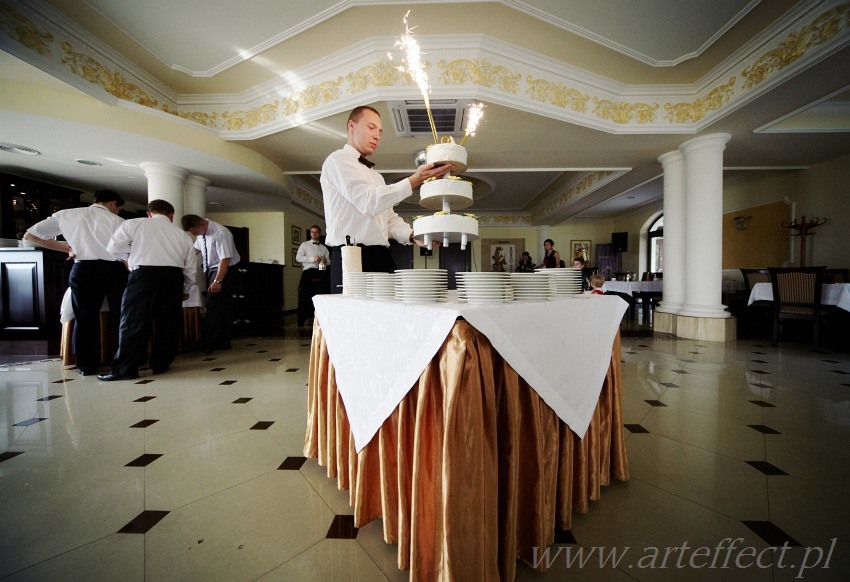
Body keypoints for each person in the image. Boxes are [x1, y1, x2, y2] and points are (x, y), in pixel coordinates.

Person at [320, 105, 453, 293]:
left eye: (380, 131)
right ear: (351, 125)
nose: (377, 136)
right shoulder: (337, 160)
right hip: (351, 256)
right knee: (355, 318)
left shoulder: (377, 177)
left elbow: (388, 220)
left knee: (383, 317)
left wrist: (413, 235)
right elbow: (369, 202)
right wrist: (416, 179)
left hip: (381, 255)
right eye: (371, 127)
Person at [24, 189, 127, 376]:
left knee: (85, 318)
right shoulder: (118, 222)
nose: (118, 211)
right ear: (113, 203)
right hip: (113, 269)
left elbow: (30, 235)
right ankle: (122, 361)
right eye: (119, 208)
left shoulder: (67, 215)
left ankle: (86, 365)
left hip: (84, 268)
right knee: (121, 315)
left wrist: (67, 248)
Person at [98, 200, 196, 381]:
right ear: (171, 215)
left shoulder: (134, 224)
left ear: (149, 213)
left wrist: (130, 259)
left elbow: (113, 248)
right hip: (172, 278)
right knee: (167, 322)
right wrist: (186, 287)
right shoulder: (182, 235)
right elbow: (189, 266)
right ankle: (161, 363)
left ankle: (127, 368)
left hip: (143, 275)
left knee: (133, 321)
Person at [180, 214, 241, 353]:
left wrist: (217, 281)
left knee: (212, 306)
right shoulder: (201, 233)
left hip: (226, 270)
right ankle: (223, 341)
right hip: (214, 269)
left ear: (202, 224)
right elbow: (195, 250)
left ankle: (207, 344)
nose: (195, 235)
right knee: (223, 307)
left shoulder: (221, 233)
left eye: (195, 232)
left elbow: (225, 260)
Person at [295, 224, 330, 326]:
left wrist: (324, 260)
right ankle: (302, 320)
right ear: (310, 233)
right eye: (312, 232)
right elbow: (298, 258)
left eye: (316, 232)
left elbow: (329, 261)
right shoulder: (304, 245)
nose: (314, 233)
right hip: (308, 273)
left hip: (320, 272)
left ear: (319, 234)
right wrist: (312, 259)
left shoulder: (324, 248)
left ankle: (321, 318)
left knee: (321, 295)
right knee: (304, 297)